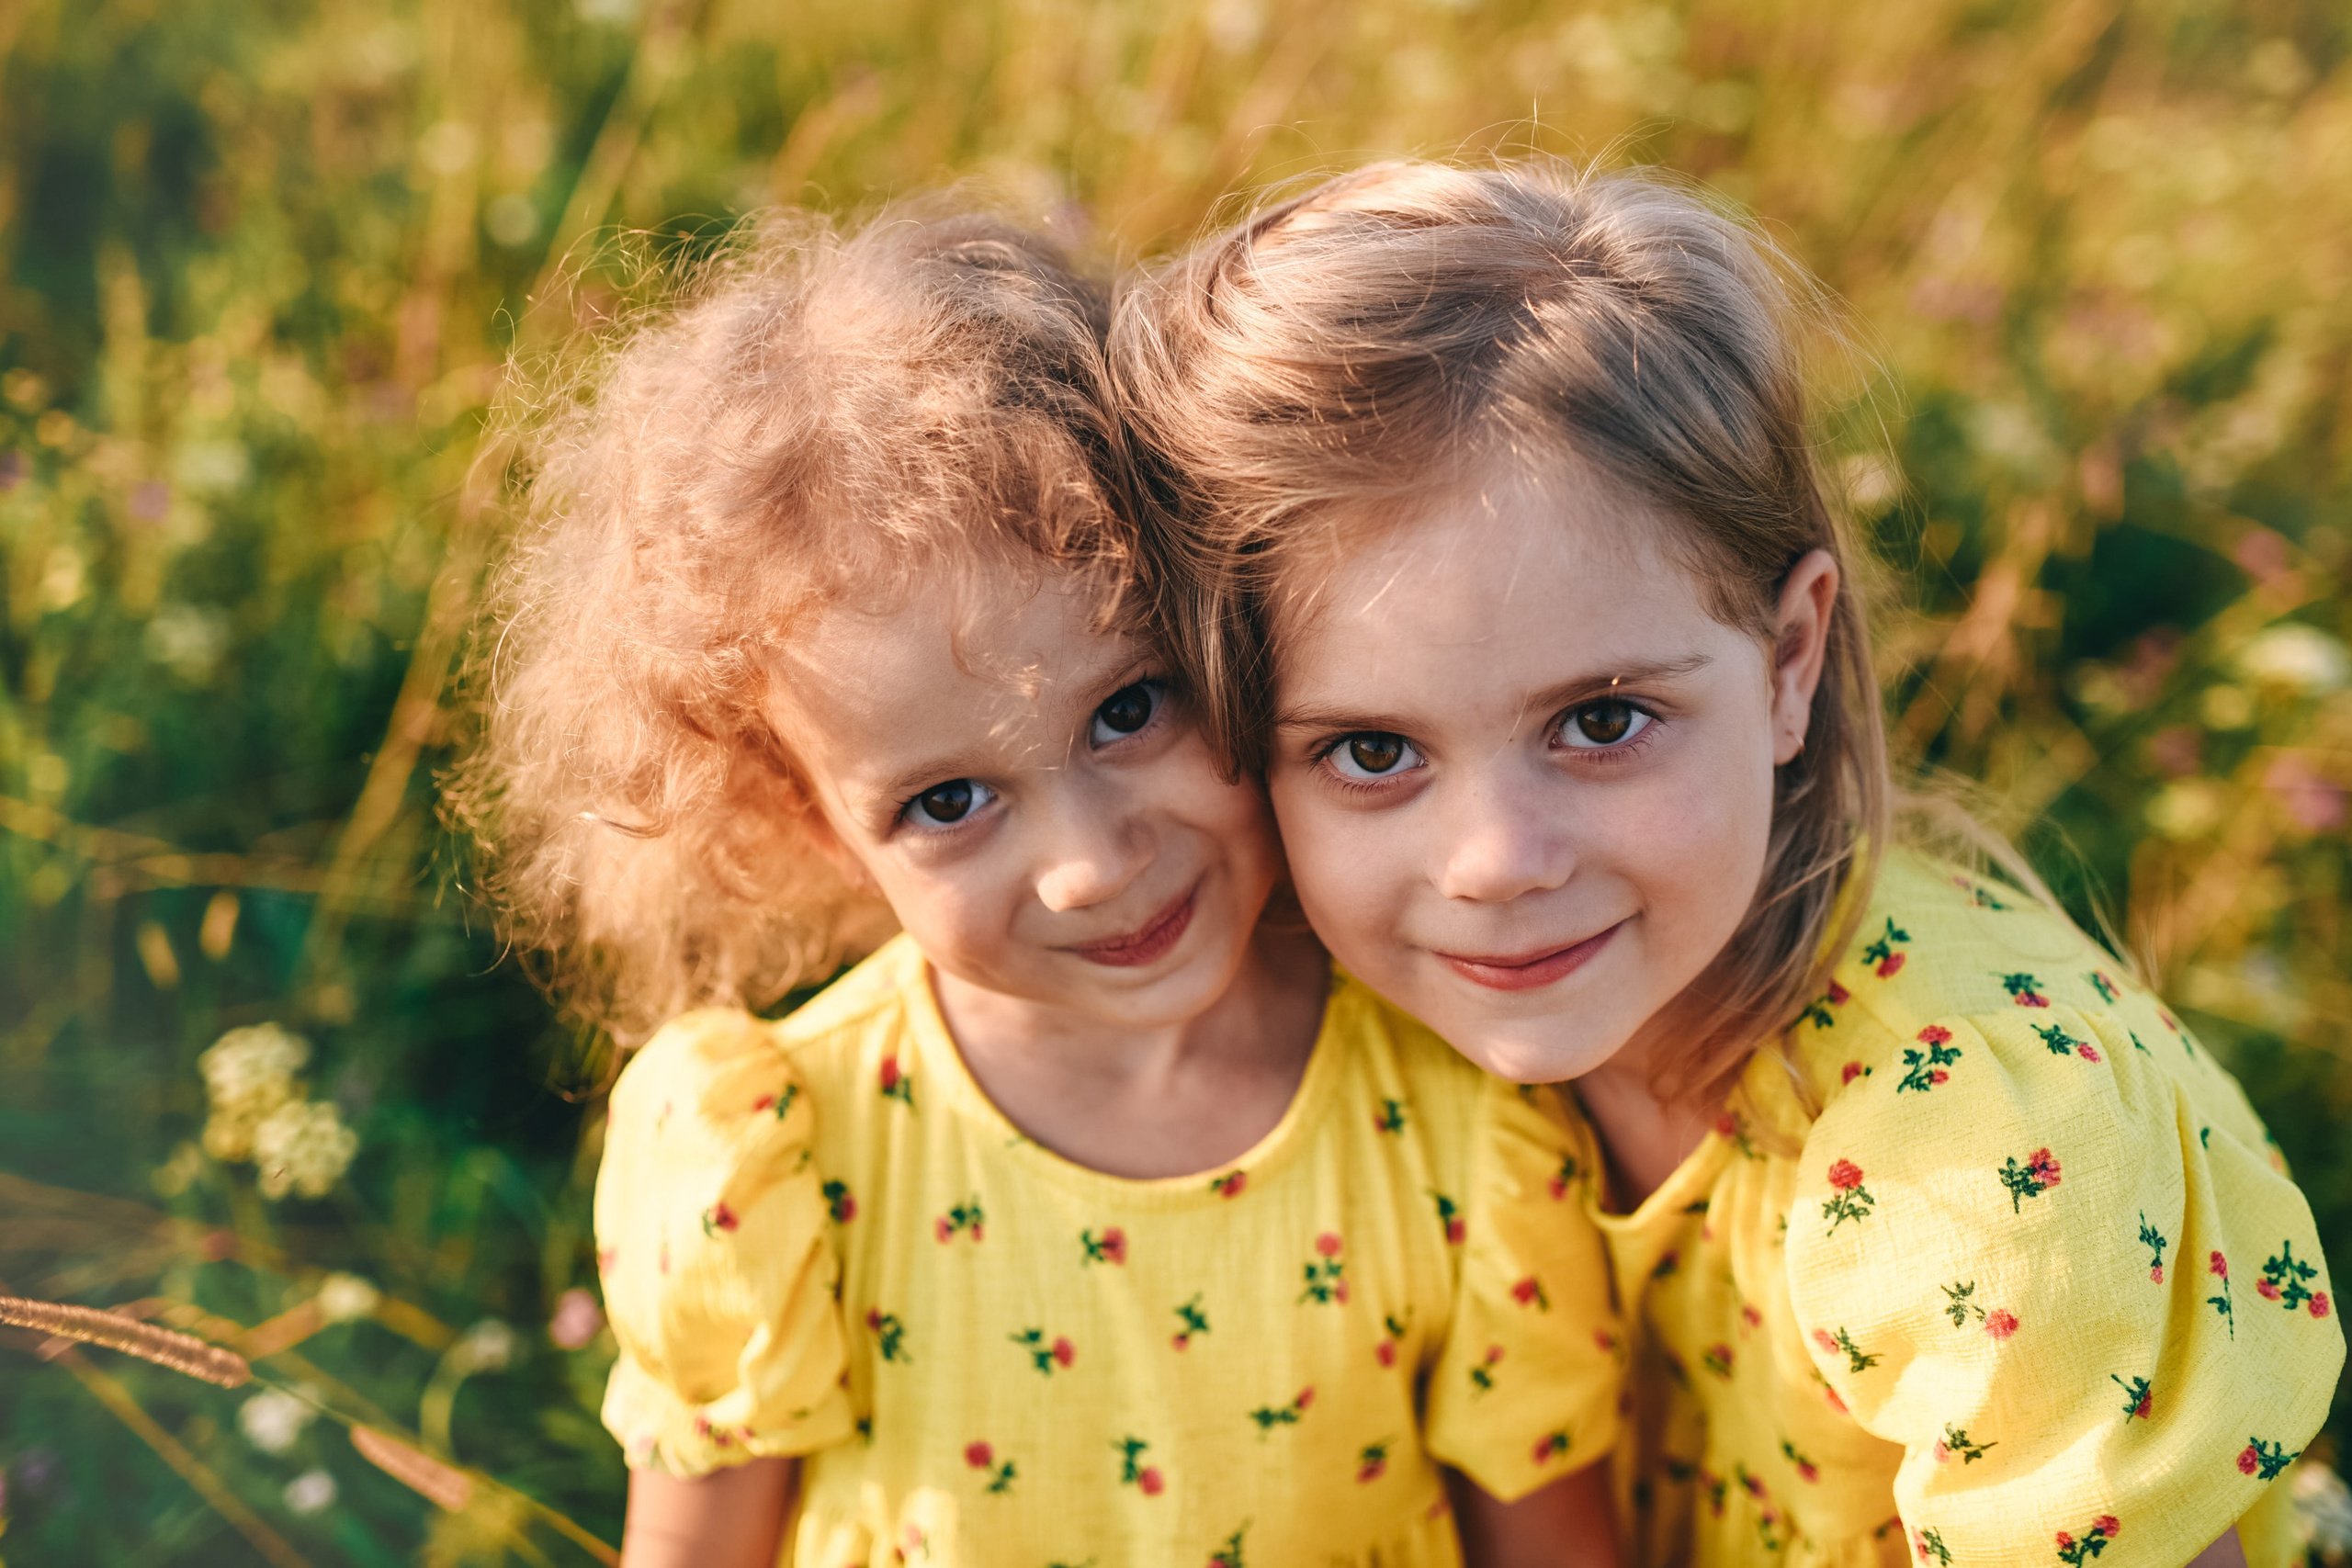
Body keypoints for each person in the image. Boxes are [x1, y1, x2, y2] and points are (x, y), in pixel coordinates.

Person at [1112, 159, 2343, 1568]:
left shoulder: (1985, 1158)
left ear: (1787, 660)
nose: (1497, 862)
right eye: (1371, 751)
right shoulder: (1342, 1040)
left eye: (1602, 722)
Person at [447, 202, 1626, 1568]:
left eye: (1129, 710)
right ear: (814, 824)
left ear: (1229, 626)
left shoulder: (1457, 1125)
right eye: (948, 802)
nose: (1090, 865)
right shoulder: (777, 1159)